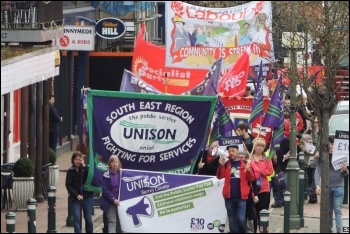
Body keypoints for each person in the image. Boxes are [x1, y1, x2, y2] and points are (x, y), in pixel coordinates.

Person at [217, 145, 258, 233]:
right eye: (229, 151)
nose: (231, 153)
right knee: (232, 222)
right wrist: (221, 166)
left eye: (233, 151)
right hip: (229, 197)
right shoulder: (227, 164)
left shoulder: (244, 163)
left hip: (241, 197)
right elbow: (220, 177)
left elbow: (251, 179)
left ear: (238, 151)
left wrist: (248, 170)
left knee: (241, 219)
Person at [314, 136, 349, 233]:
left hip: (339, 186)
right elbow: (317, 171)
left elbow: (346, 174)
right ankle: (329, 230)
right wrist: (317, 185)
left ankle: (339, 230)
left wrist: (345, 170)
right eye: (330, 144)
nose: (331, 146)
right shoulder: (323, 156)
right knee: (328, 210)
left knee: (337, 209)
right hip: (326, 187)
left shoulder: (341, 156)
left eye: (333, 144)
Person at [65, 152, 94, 233]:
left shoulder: (86, 169)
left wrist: (84, 166)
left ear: (82, 160)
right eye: (76, 159)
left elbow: (91, 177)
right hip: (76, 198)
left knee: (88, 218)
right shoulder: (70, 171)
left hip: (88, 197)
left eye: (79, 159)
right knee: (77, 219)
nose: (78, 161)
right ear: (73, 160)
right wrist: (76, 195)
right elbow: (68, 185)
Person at [250, 138, 273, 232]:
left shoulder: (267, 159)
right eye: (257, 146)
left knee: (262, 212)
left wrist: (258, 170)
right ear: (254, 147)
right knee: (253, 214)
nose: (259, 148)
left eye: (261, 146)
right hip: (251, 189)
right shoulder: (249, 158)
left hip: (264, 189)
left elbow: (270, 171)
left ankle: (263, 230)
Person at [100, 155, 123, 233]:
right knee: (112, 221)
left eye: (116, 162)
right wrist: (113, 199)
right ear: (110, 164)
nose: (115, 164)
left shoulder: (123, 173)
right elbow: (105, 190)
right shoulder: (106, 175)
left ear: (119, 163)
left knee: (121, 222)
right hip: (110, 202)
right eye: (113, 162)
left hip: (121, 201)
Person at [239, 150, 259, 233]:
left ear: (247, 158)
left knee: (249, 218)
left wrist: (256, 195)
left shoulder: (250, 167)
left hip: (248, 197)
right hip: (237, 197)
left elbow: (254, 183)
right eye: (239, 157)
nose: (240, 159)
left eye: (242, 157)